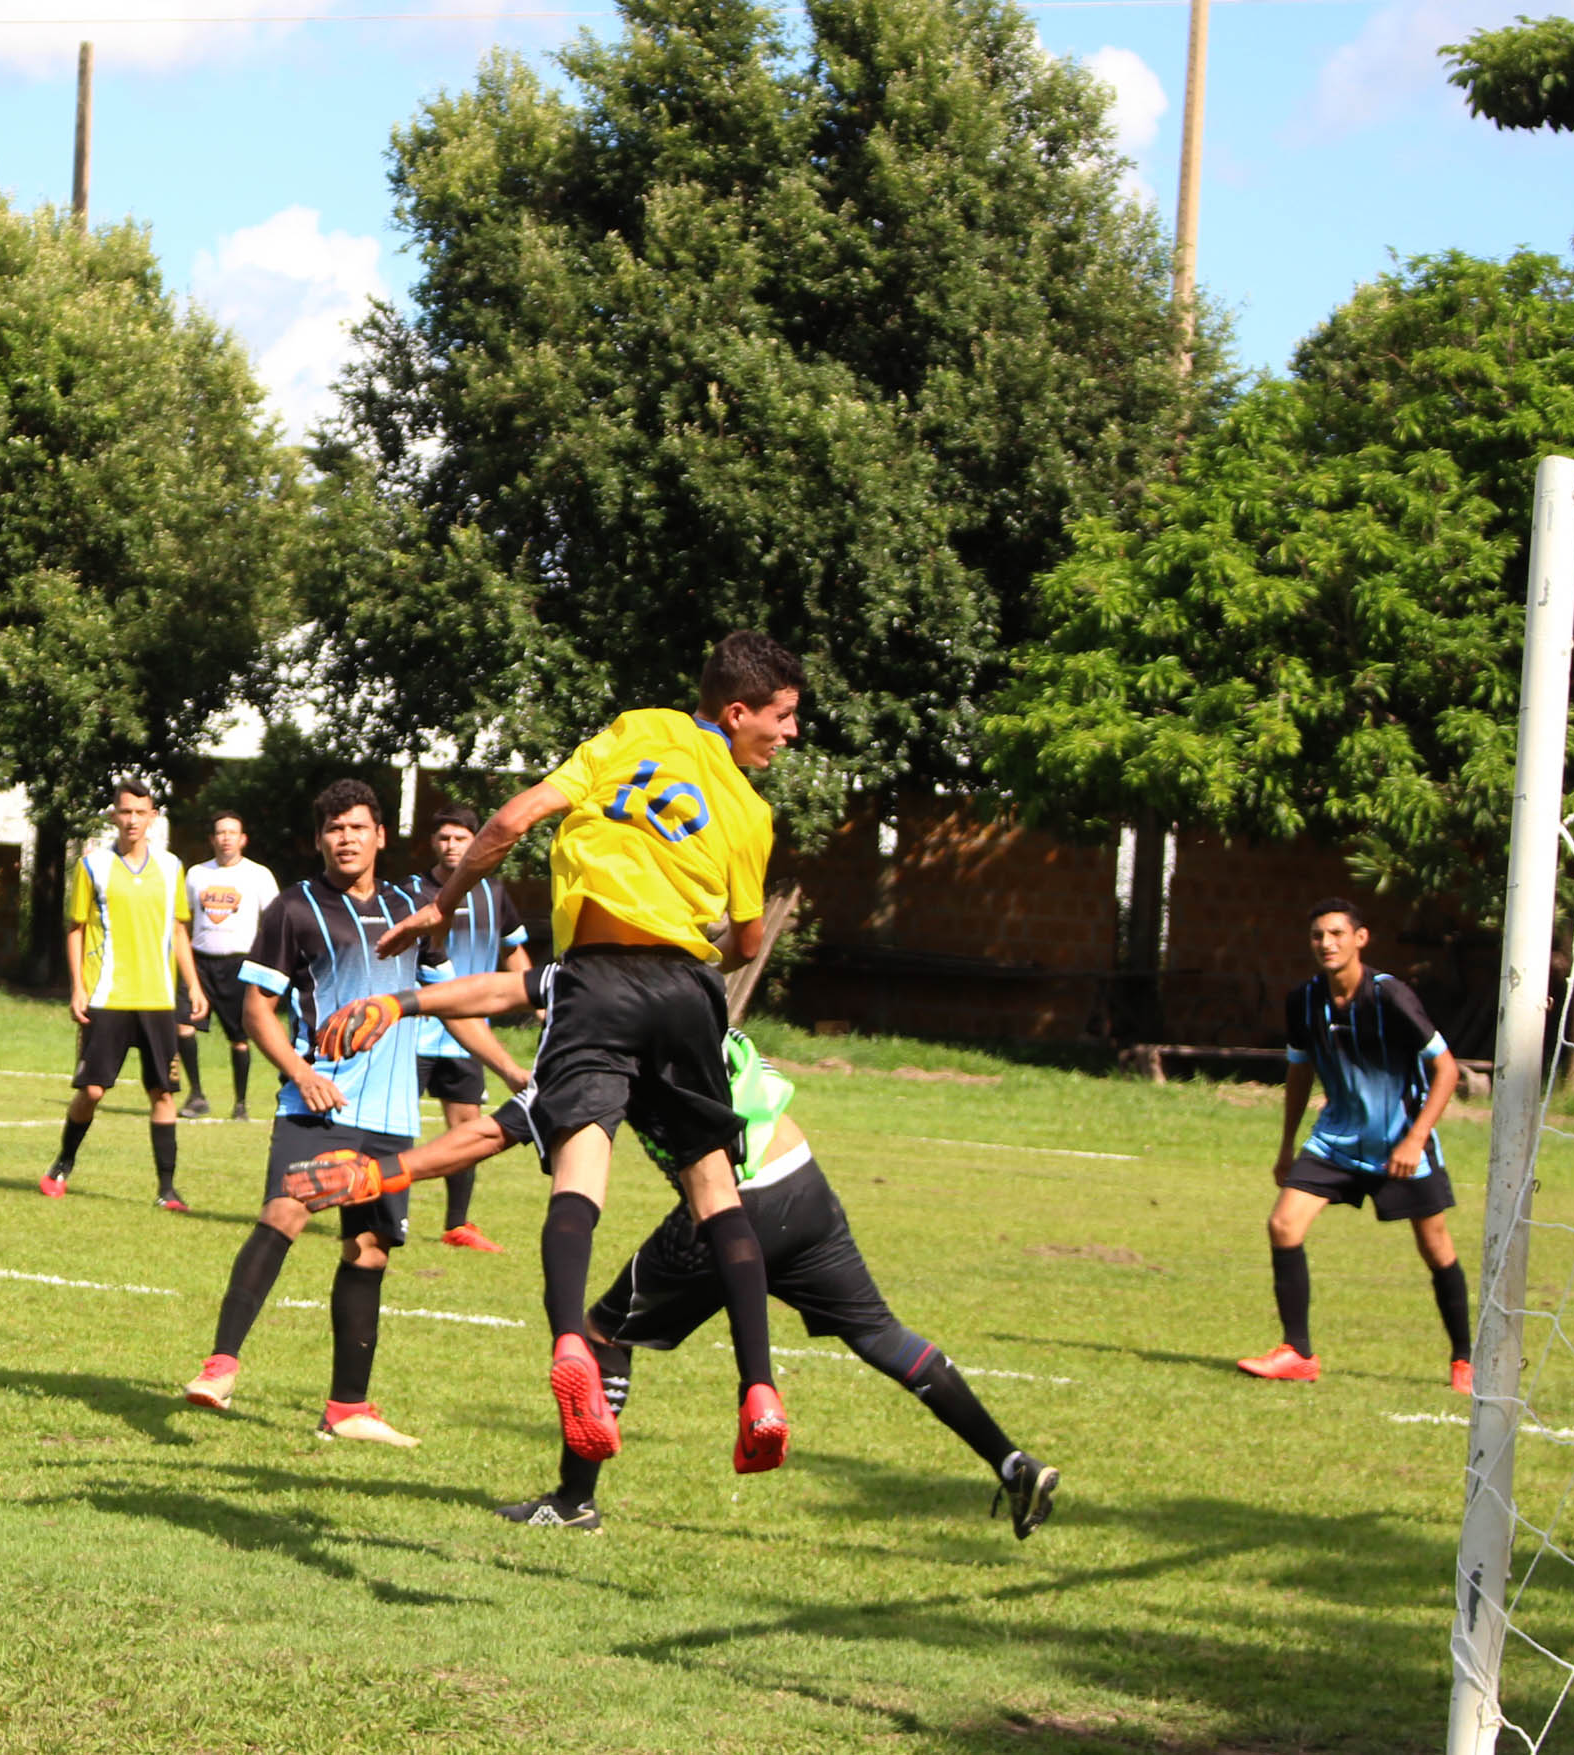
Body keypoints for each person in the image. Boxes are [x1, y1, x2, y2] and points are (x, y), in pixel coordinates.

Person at [289, 966, 1063, 1537]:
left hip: (735, 1206)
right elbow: (513, 986)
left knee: (600, 1334)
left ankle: (573, 1498)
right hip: (804, 1181)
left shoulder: (603, 1030)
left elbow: (497, 1126)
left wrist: (383, 1167)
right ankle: (1008, 1459)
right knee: (879, 1334)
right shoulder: (681, 988)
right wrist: (410, 999)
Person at [377, 630, 803, 1474]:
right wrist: (698, 951)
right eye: (784, 718)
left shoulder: (635, 730)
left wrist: (444, 904)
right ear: (737, 712)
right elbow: (749, 938)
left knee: (581, 1169)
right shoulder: (750, 814)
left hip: (595, 979)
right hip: (687, 990)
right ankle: (758, 1386)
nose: (790, 735)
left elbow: (513, 818)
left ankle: (572, 1339)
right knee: (715, 1186)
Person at [181, 780, 502, 1443]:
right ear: (319, 837)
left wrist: (512, 1068)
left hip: (391, 1113)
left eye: (357, 826)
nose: (346, 838)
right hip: (317, 1100)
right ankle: (219, 1366)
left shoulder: (415, 906)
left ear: (380, 835)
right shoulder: (293, 909)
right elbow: (255, 1010)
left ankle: (346, 1409)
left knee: (369, 1249)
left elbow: (448, 1003)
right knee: (285, 1210)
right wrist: (301, 1072)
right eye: (333, 828)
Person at [1238, 898, 1471, 1390]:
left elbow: (1446, 1069)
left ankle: (1465, 1360)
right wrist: (1287, 1146)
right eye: (1318, 935)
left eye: (1337, 934)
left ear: (1360, 939)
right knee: (1283, 1224)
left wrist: (1415, 1139)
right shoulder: (1303, 1001)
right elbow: (1299, 1071)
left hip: (1399, 1144)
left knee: (1435, 1246)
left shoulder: (1390, 997)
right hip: (1337, 1140)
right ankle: (1298, 1353)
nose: (1326, 943)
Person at [42, 781, 209, 1210]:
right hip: (106, 996)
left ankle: (166, 1189)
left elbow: (178, 929)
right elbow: (76, 929)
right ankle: (63, 1161)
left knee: (164, 1093)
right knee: (93, 1091)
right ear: (113, 816)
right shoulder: (93, 866)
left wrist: (192, 985)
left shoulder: (172, 868)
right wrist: (78, 988)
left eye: (141, 812)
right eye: (125, 812)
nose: (132, 819)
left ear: (153, 816)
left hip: (157, 998)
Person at [412, 803, 532, 1253]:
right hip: (416, 1030)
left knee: (466, 1129)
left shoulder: (494, 892)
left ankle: (457, 1226)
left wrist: (540, 1004)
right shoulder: (412, 893)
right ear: (432, 843)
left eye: (460, 838)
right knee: (400, 1127)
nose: (450, 846)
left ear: (475, 841)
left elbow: (514, 951)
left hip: (469, 1037)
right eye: (443, 838)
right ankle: (389, 1216)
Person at [183, 811, 281, 1122]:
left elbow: (276, 920)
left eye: (232, 833)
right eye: (220, 833)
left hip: (239, 963)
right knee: (182, 1026)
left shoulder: (258, 875)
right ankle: (196, 1095)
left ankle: (240, 1104)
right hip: (199, 962)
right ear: (212, 839)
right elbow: (183, 920)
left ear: (243, 839)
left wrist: (266, 961)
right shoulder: (197, 874)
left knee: (239, 1037)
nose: (226, 838)